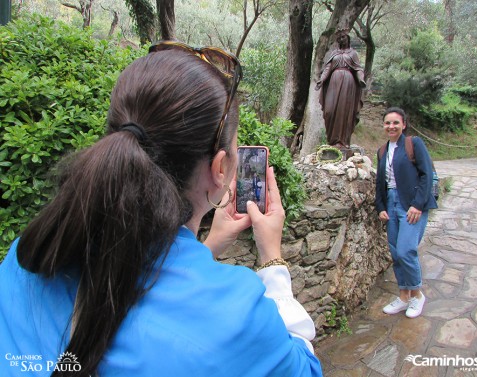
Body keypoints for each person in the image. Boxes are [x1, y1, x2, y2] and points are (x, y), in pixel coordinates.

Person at [0, 41, 323, 376]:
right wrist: (272, 259)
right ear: (221, 168)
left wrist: (207, 247)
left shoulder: (30, 255)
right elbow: (303, 367)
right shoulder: (237, 318)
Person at [375, 107, 438, 319]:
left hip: (411, 205)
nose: (391, 126)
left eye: (395, 123)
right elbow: (380, 182)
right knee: (395, 253)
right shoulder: (382, 150)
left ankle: (417, 295)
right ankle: (403, 297)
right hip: (391, 205)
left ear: (403, 124)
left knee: (405, 250)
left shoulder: (414, 144)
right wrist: (381, 207)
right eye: (387, 123)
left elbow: (426, 175)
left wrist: (418, 204)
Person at [315, 30, 366, 149]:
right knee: (329, 111)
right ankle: (332, 140)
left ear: (347, 38)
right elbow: (327, 68)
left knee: (344, 112)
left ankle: (341, 141)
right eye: (339, 38)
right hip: (333, 82)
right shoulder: (334, 53)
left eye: (343, 37)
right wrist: (322, 80)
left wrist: (361, 79)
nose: (341, 40)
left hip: (348, 85)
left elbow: (358, 69)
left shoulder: (353, 54)